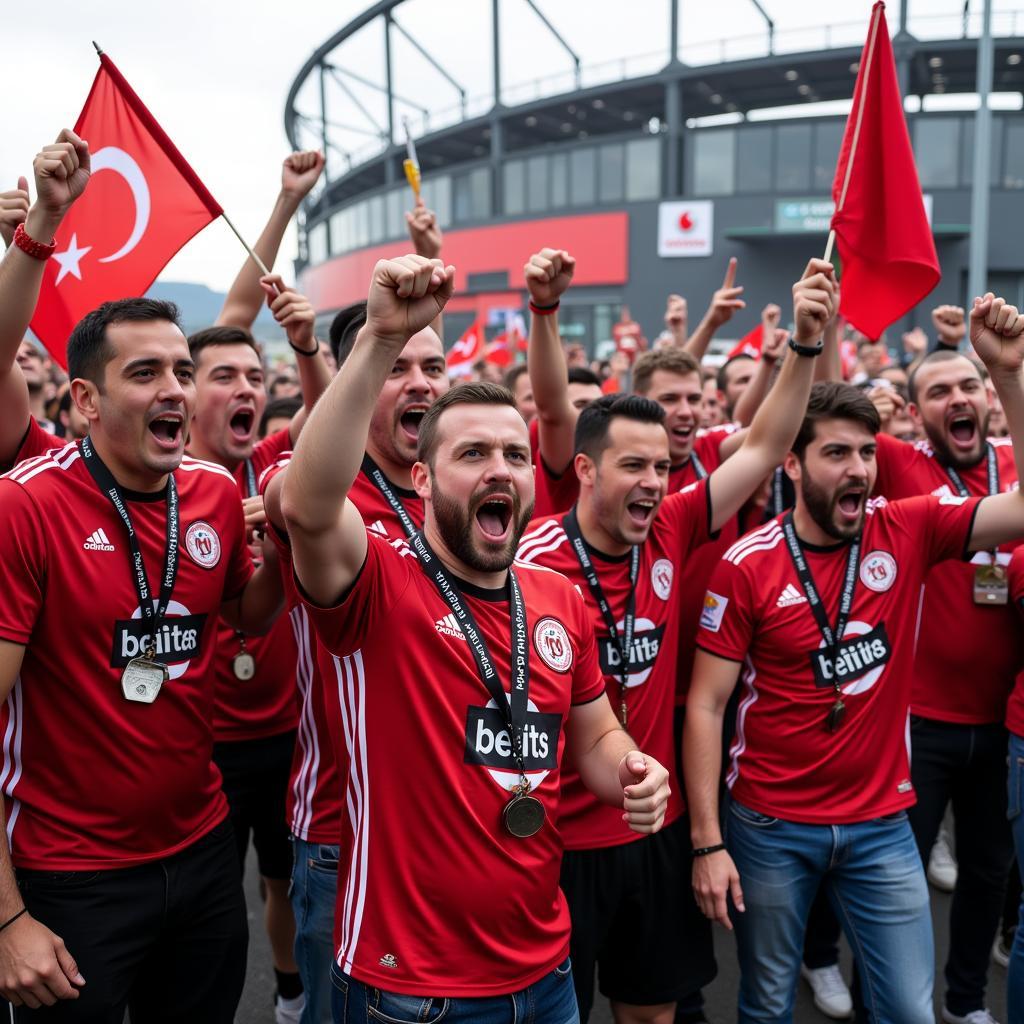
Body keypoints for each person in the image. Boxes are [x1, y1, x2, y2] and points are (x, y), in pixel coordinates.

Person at [281, 253, 672, 1023]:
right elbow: (307, 505)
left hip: (544, 970)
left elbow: (592, 734)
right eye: (472, 454)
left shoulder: (556, 595)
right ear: (422, 482)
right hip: (409, 987)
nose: (502, 469)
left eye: (516, 456)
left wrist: (633, 767)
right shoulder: (380, 581)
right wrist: (379, 340)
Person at [686, 290, 1024, 1024]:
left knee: (908, 1006)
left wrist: (1007, 378)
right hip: (771, 825)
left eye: (868, 453)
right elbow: (706, 704)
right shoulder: (746, 564)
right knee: (768, 1002)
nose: (859, 470)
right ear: (794, 464)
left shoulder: (906, 528)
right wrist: (708, 841)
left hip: (880, 824)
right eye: (836, 453)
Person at [515, 258, 830, 1024]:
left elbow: (761, 448)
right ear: (584, 471)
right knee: (550, 1011)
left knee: (651, 1010)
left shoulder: (674, 526)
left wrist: (806, 348)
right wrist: (546, 310)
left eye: (661, 467)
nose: (655, 483)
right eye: (634, 466)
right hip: (556, 837)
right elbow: (554, 409)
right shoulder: (533, 562)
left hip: (651, 830)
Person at [0, 289, 285, 1018]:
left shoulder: (215, 492)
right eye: (147, 372)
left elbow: (243, 618)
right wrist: (6, 921)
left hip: (202, 854)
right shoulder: (26, 506)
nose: (176, 392)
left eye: (184, 372)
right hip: (71, 874)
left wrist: (285, 548)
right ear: (87, 400)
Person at [184, 156, 329, 1023]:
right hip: (197, 737)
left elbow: (326, 411)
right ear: (179, 389)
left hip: (287, 728)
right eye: (223, 378)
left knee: (284, 875)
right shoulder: (163, 481)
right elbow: (233, 318)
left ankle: (287, 991)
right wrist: (280, 204)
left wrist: (307, 348)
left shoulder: (275, 468)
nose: (247, 389)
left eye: (256, 380)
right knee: (207, 900)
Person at [870, 327, 1020, 1024]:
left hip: (1005, 724)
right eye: (939, 391)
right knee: (895, 883)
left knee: (989, 873)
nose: (957, 398)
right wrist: (819, 331)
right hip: (920, 721)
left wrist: (1006, 368)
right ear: (914, 410)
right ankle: (885, 999)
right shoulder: (902, 465)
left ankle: (964, 1003)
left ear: (989, 398)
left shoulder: (1015, 460)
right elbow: (812, 415)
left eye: (969, 386)